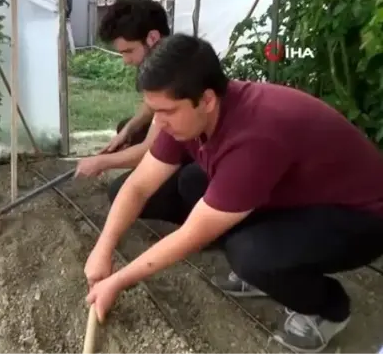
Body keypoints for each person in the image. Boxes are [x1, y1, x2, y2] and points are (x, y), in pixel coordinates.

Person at [83, 33, 383, 354]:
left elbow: (191, 235)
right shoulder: (189, 114)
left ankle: (329, 310)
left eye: (166, 111)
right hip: (299, 194)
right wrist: (104, 248)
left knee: (250, 255)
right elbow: (140, 185)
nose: (159, 122)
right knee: (192, 183)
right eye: (154, 110)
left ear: (207, 99)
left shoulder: (256, 136)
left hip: (362, 217)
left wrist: (117, 281)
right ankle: (270, 266)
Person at [76, 0, 206, 225]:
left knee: (122, 192)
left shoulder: (177, 70)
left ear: (152, 38)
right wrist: (128, 130)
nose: (126, 61)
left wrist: (100, 162)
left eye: (128, 51)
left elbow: (151, 148)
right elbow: (151, 109)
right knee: (129, 129)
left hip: (204, 156)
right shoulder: (165, 58)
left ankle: (197, 215)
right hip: (184, 142)